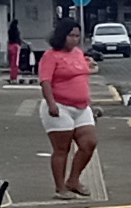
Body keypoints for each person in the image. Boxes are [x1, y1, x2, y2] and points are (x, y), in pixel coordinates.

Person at [40, 20, 101, 196]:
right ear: (62, 36)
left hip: (82, 107)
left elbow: (83, 75)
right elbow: (45, 81)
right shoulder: (50, 56)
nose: (74, 39)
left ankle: (74, 179)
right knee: (62, 149)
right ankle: (60, 188)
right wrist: (51, 104)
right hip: (60, 106)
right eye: (71, 36)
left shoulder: (78, 53)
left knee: (89, 143)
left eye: (77, 36)